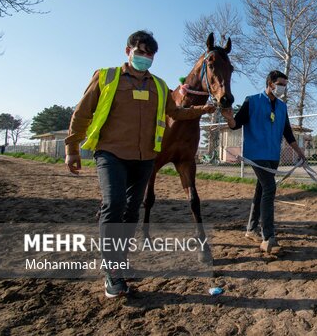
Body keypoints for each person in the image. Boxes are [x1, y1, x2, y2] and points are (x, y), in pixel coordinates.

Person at [64, 30, 216, 298]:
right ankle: (112, 274)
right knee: (114, 205)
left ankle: (118, 265)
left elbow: (175, 112)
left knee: (132, 211)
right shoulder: (105, 77)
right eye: (141, 52)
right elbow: (82, 112)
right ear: (128, 51)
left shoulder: (158, 85)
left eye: (150, 55)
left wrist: (200, 111)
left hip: (145, 157)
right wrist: (71, 147)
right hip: (111, 153)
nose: (145, 58)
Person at [220, 70, 306, 254]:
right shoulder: (252, 101)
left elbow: (288, 134)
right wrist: (228, 118)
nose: (283, 88)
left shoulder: (282, 107)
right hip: (256, 154)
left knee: (261, 191)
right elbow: (236, 123)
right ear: (270, 83)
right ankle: (268, 237)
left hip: (273, 155)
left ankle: (251, 229)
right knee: (269, 188)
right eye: (280, 84)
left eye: (285, 85)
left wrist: (300, 153)